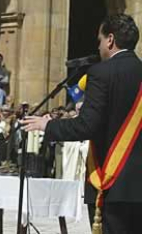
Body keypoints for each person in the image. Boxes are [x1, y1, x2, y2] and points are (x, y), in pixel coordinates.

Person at [22, 14, 142, 234]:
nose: (98, 47)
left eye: (99, 40)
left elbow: (87, 126)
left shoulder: (101, 73)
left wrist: (47, 125)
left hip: (112, 184)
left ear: (110, 40)